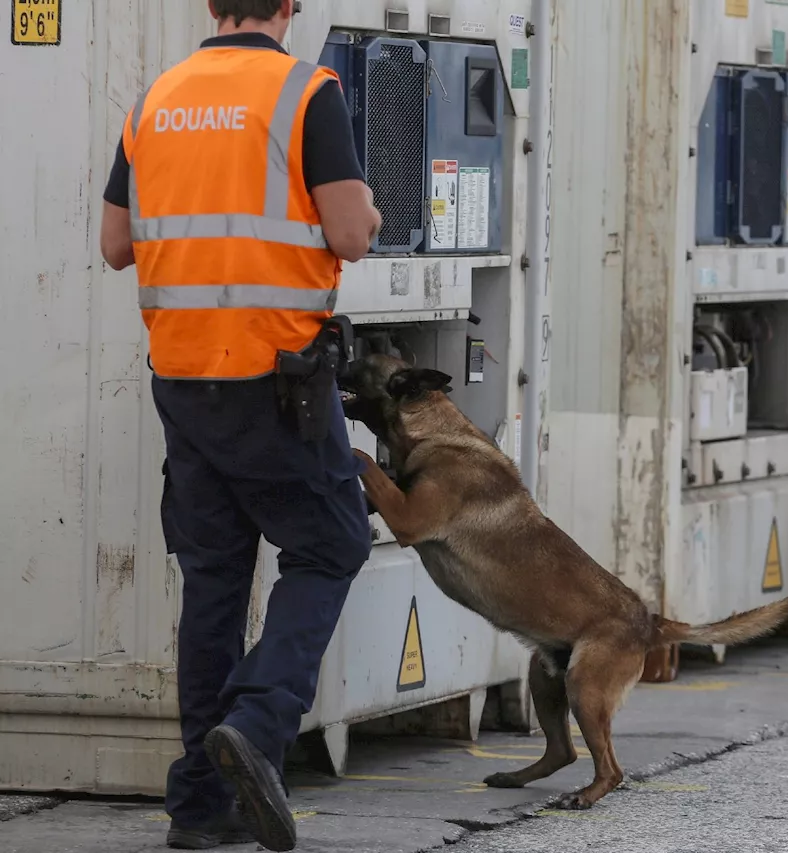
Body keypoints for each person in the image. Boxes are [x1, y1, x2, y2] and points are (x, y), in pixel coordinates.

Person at [98, 1, 382, 849]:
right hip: (277, 382)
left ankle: (199, 806)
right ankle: (257, 730)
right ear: (288, 7)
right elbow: (349, 233)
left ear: (212, 6)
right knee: (332, 545)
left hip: (183, 382)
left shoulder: (159, 98)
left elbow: (116, 243)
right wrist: (363, 219)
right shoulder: (307, 93)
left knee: (214, 583)